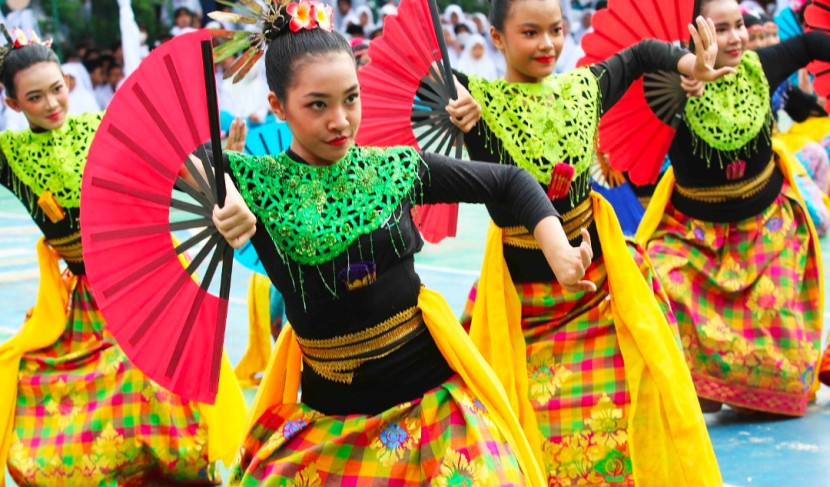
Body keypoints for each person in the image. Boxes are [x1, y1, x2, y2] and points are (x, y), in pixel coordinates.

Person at [198, 1, 603, 484]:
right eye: (317, 105)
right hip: (331, 434)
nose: (341, 121)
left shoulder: (395, 168)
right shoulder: (257, 183)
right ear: (277, 107)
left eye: (351, 98)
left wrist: (556, 247)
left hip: (435, 418)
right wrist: (221, 193)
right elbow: (176, 157)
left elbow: (509, 183)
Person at [425, 0, 724, 483]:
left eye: (556, 30)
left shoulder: (584, 88)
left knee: (632, 399)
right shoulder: (473, 100)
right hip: (524, 306)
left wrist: (693, 64)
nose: (547, 44)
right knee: (523, 427)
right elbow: (421, 69)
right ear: (497, 38)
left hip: (599, 289)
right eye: (530, 32)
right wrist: (455, 100)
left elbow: (646, 53)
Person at [0, 30, 247, 486]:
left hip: (132, 287)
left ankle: (182, 469)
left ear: (67, 84)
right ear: (14, 106)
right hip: (78, 304)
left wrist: (221, 166)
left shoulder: (102, 127)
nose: (52, 104)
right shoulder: (8, 155)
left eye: (57, 89)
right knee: (30, 383)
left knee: (151, 376)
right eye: (34, 98)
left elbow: (168, 167)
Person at [636, 0, 830, 417]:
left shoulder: (762, 65)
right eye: (719, 29)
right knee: (659, 285)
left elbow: (813, 41)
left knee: (772, 392)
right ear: (691, 37)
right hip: (693, 236)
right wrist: (674, 87)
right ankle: (704, 385)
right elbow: (629, 81)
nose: (736, 37)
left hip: (768, 228)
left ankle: (758, 390)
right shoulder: (664, 84)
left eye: (739, 25)